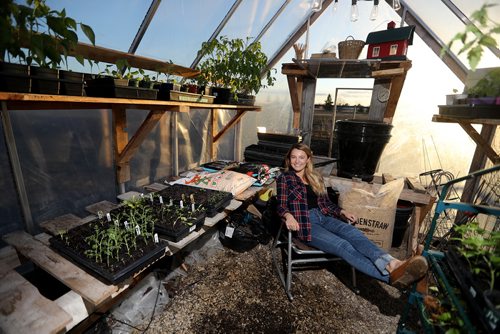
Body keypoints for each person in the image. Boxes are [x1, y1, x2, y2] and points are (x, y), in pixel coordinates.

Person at [276, 143, 428, 288]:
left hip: (325, 217)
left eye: (301, 157)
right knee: (343, 245)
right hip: (305, 222)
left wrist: (342, 211)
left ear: (308, 159)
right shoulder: (285, 178)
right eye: (293, 157)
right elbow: (281, 205)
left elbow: (327, 204)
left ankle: (393, 263)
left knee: (354, 234)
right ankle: (391, 278)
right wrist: (288, 216)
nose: (297, 161)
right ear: (289, 159)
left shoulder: (315, 178)